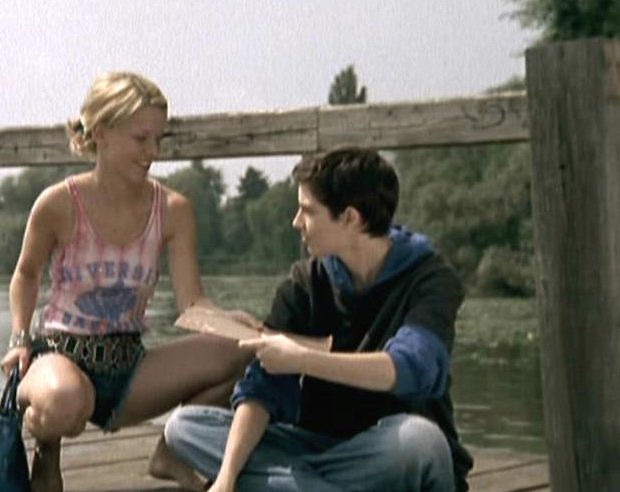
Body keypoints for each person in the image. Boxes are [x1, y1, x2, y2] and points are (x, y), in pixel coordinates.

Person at [163, 147, 474, 491]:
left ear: (350, 218)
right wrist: (226, 477)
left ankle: (285, 484)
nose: (296, 221)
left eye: (308, 210)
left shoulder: (430, 278)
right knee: (184, 427)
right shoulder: (305, 282)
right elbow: (263, 389)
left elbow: (412, 368)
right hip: (316, 448)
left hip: (387, 452)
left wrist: (303, 359)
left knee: (421, 441)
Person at [0, 71, 253, 492]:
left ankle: (171, 452)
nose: (153, 152)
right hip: (61, 357)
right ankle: (47, 448)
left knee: (244, 349)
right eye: (141, 138)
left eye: (159, 139)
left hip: (130, 368)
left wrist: (244, 327)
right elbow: (26, 274)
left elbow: (193, 306)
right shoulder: (59, 203)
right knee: (63, 401)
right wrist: (20, 339)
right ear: (100, 132)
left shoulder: (173, 209)